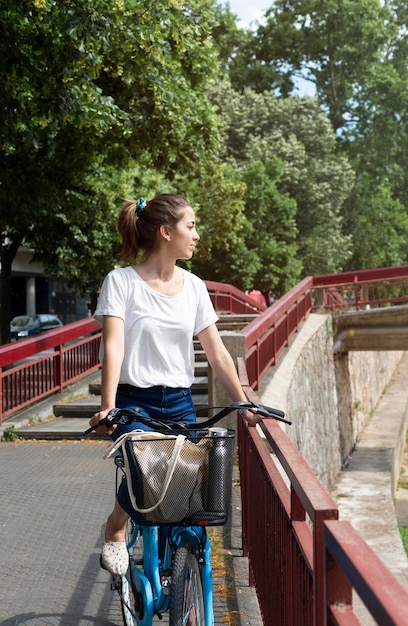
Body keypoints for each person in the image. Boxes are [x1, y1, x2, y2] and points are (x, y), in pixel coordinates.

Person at [88, 193, 260, 576]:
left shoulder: (195, 287)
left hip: (179, 401)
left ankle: (176, 576)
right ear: (167, 232)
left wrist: (244, 402)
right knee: (144, 475)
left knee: (185, 489)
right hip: (135, 401)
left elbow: (216, 352)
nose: (197, 234)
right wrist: (108, 404)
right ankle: (116, 525)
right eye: (191, 226)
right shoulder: (121, 282)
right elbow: (113, 346)